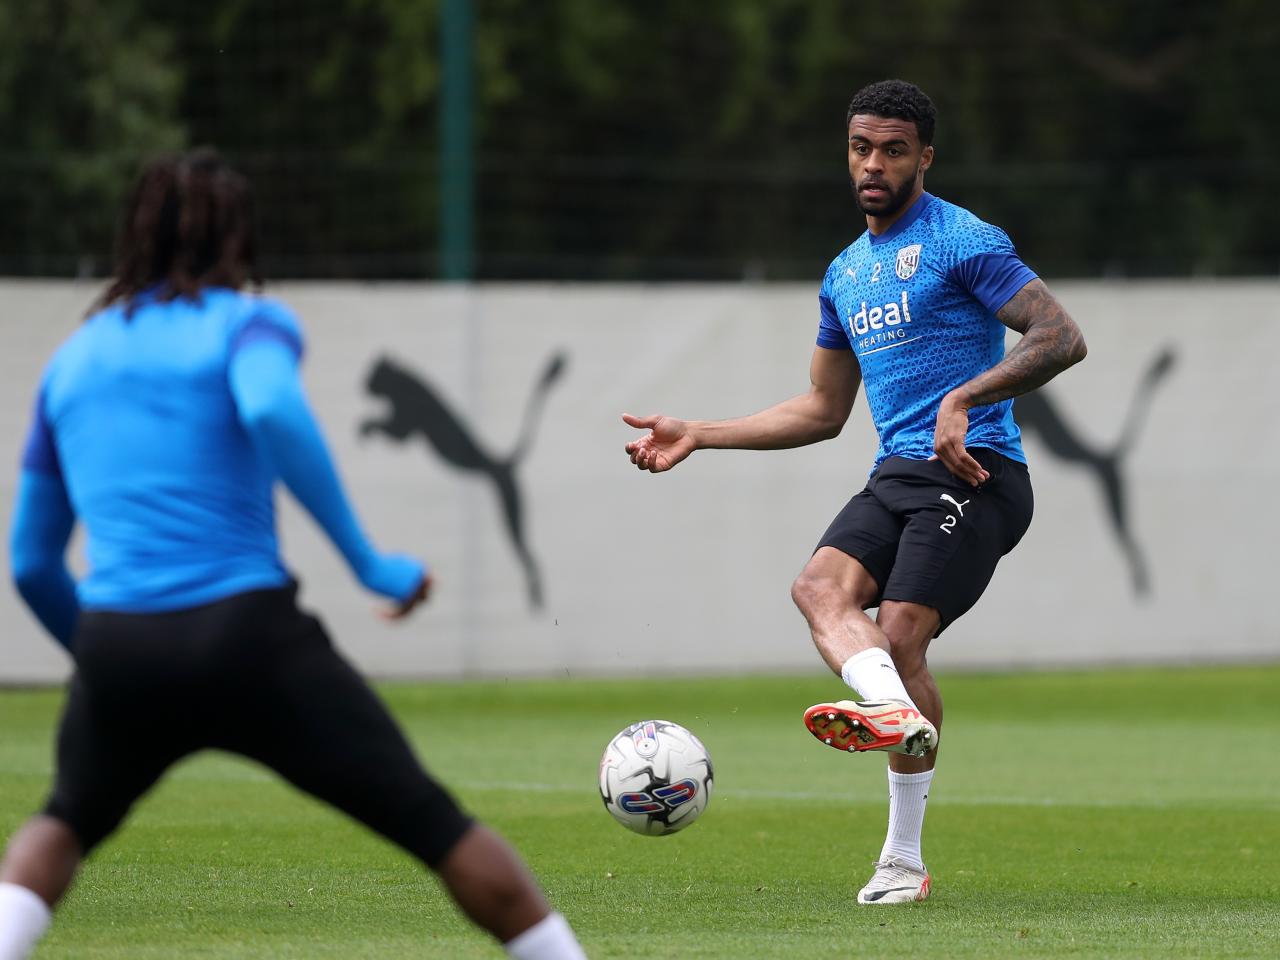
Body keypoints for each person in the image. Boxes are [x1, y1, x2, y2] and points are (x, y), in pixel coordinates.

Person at [0, 149, 587, 960]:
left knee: (61, 825)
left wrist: (111, 660)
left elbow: (31, 564)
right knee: (432, 823)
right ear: (237, 240)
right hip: (246, 637)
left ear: (132, 238)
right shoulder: (247, 323)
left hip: (120, 644)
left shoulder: (71, 362)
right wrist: (370, 564)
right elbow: (272, 407)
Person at [623, 79, 1086, 905]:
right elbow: (823, 409)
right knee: (817, 589)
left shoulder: (962, 240)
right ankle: (893, 710)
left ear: (925, 157)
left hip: (978, 471)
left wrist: (964, 396)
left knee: (900, 635)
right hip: (898, 473)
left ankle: (902, 859)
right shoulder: (844, 273)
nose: (874, 165)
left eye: (893, 150)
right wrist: (699, 431)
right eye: (861, 148)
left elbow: (1061, 335)